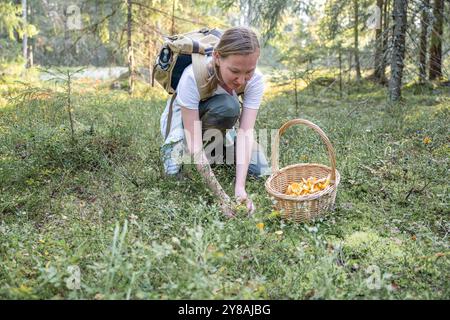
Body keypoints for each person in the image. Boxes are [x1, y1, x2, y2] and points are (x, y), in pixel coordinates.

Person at [160, 26, 271, 217]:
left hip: (221, 130)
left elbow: (245, 133)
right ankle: (183, 155)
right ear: (218, 57)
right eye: (235, 71)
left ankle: (213, 154)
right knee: (229, 106)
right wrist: (221, 197)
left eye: (249, 72)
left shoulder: (256, 80)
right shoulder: (193, 76)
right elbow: (194, 143)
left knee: (261, 169)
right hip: (185, 129)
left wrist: (239, 190)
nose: (242, 80)